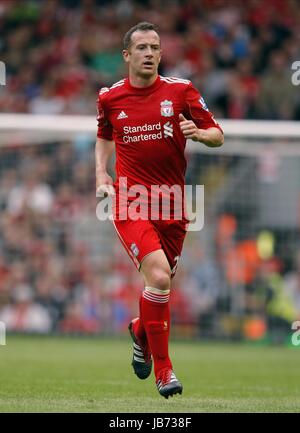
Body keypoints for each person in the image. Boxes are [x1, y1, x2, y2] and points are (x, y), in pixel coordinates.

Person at [95, 22, 223, 399]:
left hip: (173, 204)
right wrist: (101, 172)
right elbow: (104, 135)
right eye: (142, 48)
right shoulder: (110, 98)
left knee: (158, 284)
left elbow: (217, 133)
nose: (150, 54)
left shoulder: (181, 91)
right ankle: (165, 372)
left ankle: (140, 331)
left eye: (155, 47)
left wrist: (200, 135)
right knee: (160, 277)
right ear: (127, 55)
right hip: (130, 200)